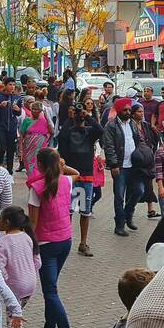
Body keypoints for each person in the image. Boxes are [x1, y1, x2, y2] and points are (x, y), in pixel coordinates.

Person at [29, 147, 80, 328]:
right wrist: (63, 165)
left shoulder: (37, 187)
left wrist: (30, 247)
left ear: (39, 165)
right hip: (65, 240)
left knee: (50, 291)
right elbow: (76, 173)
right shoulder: (66, 181)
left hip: (46, 243)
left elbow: (32, 224)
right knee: (52, 289)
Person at [0, 206, 40, 328]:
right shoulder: (28, 237)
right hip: (30, 284)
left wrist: (5, 284)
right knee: (17, 316)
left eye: (0, 219)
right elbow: (37, 262)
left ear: (6, 222)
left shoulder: (2, 243)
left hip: (15, 288)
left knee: (11, 321)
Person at [57, 100, 104, 256]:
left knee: (85, 212)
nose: (79, 115)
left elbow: (100, 130)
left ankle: (83, 243)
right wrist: (70, 118)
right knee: (68, 210)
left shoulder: (90, 132)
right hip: (70, 178)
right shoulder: (68, 130)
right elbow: (61, 137)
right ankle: (66, 239)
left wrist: (88, 116)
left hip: (86, 177)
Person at [104, 98, 145, 237]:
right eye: (125, 110)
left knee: (139, 190)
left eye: (129, 110)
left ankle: (128, 214)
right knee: (119, 197)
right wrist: (114, 164)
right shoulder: (111, 126)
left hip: (134, 165)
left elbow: (138, 139)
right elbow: (109, 146)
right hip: (120, 167)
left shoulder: (132, 123)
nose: (128, 112)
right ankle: (119, 224)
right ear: (119, 111)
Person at [129, 102, 161, 219]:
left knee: (149, 183)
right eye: (139, 111)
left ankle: (150, 210)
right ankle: (130, 210)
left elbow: (153, 138)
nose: (142, 114)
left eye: (142, 111)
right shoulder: (130, 125)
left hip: (147, 158)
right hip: (135, 159)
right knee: (135, 187)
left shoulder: (146, 125)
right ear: (133, 114)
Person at [0, 79, 20, 171]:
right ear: (5, 85)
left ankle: (9, 171)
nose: (12, 87)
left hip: (12, 127)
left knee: (11, 150)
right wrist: (0, 106)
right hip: (1, 127)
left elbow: (19, 113)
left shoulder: (17, 97)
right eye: (10, 84)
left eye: (13, 85)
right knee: (2, 148)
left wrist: (18, 110)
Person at [19, 98, 53, 175]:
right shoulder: (26, 121)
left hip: (41, 148)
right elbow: (21, 135)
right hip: (28, 148)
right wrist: (20, 149)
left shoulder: (45, 121)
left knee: (40, 165)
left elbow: (52, 132)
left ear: (40, 111)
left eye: (36, 109)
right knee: (29, 167)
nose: (34, 111)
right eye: (32, 109)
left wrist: (47, 118)